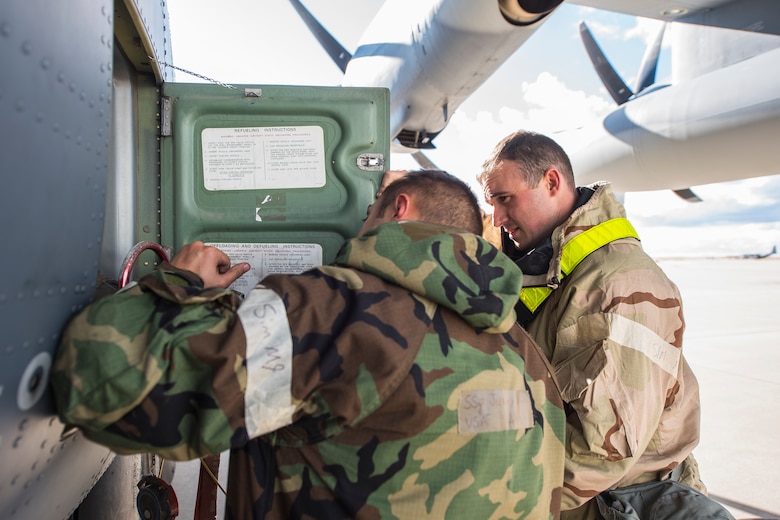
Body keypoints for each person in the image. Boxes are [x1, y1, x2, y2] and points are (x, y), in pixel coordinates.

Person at [52, 169, 566, 519]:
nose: (358, 227)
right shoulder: (523, 351)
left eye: (369, 212)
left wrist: (178, 284)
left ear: (398, 208)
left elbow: (99, 385)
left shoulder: (335, 309)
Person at [477, 131, 715, 519]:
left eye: (505, 199)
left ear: (551, 182)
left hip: (613, 504)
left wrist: (490, 498)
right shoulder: (557, 269)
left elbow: (602, 450)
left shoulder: (616, 284)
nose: (499, 219)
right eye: (492, 203)